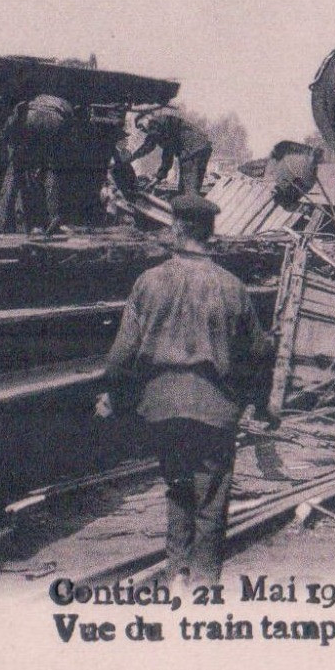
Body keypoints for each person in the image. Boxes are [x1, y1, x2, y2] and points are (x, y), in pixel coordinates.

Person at [99, 194, 275, 586]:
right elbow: (260, 353)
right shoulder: (232, 287)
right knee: (211, 497)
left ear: (176, 229)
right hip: (214, 408)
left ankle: (176, 572)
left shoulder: (149, 282)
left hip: (161, 407)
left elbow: (122, 353)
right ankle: (204, 582)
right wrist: (260, 405)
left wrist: (111, 393)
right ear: (210, 233)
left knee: (177, 487)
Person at [0, 93, 74, 234]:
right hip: (56, 121)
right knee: (50, 173)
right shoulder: (62, 102)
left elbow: (12, 122)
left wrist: (5, 138)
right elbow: (68, 131)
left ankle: (2, 223)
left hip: (31, 119)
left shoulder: (30, 101)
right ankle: (52, 217)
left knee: (14, 173)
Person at [121, 107, 213, 197]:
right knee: (189, 188)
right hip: (200, 148)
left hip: (192, 150)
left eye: (140, 126)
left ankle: (189, 208)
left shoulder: (155, 123)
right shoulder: (162, 125)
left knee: (187, 190)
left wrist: (129, 159)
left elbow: (153, 147)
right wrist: (159, 177)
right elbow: (160, 149)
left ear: (147, 118)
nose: (142, 130)